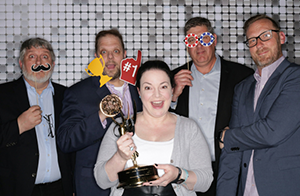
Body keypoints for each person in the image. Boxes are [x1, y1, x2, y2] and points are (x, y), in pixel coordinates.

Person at [94, 60, 213, 196]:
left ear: (172, 89)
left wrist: (179, 174)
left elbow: (206, 181)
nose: (157, 95)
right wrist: (120, 157)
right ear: (139, 92)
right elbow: (101, 181)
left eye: (163, 87)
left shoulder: (189, 128)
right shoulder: (120, 126)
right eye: (148, 88)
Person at [217, 14, 300, 196]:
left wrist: (228, 137)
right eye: (252, 40)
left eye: (266, 35)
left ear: (281, 37)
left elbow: (272, 132)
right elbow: (232, 153)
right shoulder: (242, 88)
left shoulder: (295, 77)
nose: (259, 44)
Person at [171, 17, 254, 195]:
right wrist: (172, 97)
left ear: (214, 40)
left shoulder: (243, 76)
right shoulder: (171, 80)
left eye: (205, 39)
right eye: (192, 40)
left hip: (229, 168)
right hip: (185, 171)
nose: (199, 46)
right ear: (187, 45)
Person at [56, 29, 142, 196]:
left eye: (115, 51)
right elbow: (65, 141)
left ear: (124, 55)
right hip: (95, 186)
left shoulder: (139, 88)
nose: (110, 58)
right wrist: (101, 115)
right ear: (97, 56)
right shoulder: (78, 93)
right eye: (104, 52)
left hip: (136, 184)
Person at [0, 38, 73, 196]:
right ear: (21, 63)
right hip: (16, 189)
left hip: (60, 189)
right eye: (32, 56)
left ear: (52, 64)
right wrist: (18, 126)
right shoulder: (3, 95)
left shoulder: (67, 96)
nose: (39, 61)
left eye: (45, 56)